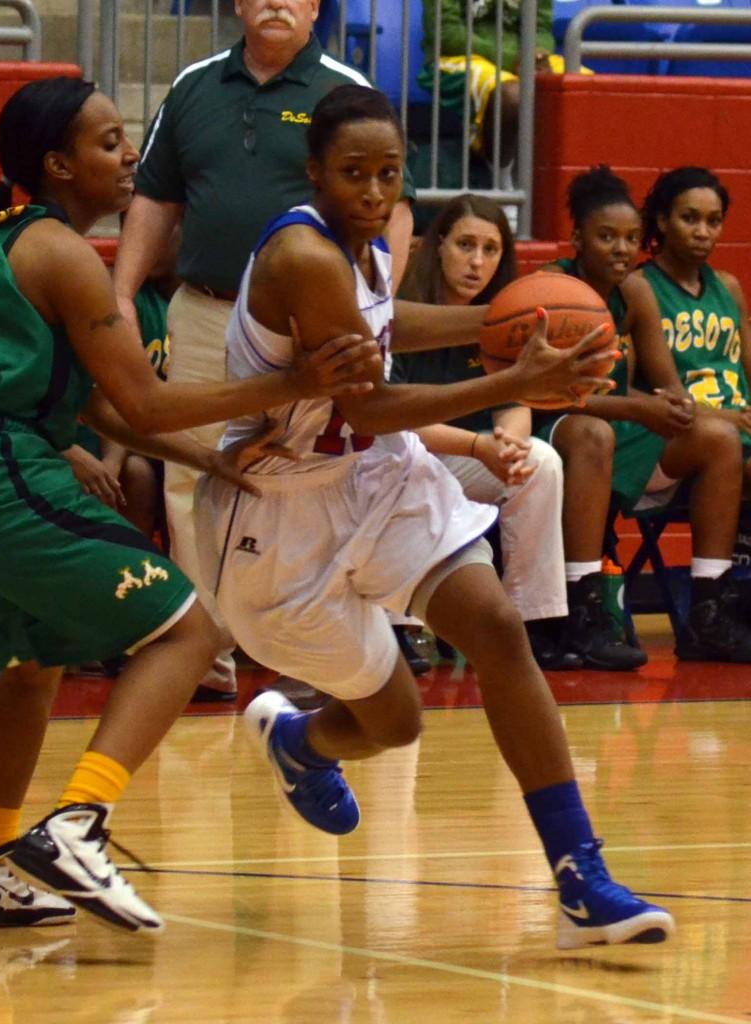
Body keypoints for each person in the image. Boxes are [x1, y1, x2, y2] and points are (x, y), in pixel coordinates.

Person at [0, 76, 382, 933]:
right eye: (110, 144)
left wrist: (213, 461)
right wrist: (293, 382)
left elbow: (108, 410)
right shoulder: (65, 253)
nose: (130, 158)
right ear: (58, 163)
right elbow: (142, 402)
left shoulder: (6, 241)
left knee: (32, 663)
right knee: (188, 629)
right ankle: (80, 822)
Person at [198, 83, 673, 949]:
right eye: (353, 175)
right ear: (313, 174)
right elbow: (372, 403)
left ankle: (577, 875)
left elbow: (386, 329)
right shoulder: (303, 255)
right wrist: (511, 382)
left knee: (495, 628)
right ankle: (304, 744)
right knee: (396, 721)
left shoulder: (369, 244)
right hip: (280, 511)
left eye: (388, 173)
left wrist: (509, 321)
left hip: (375, 478)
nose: (375, 193)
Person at [114, 0, 417, 700]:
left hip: (315, 326)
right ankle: (203, 653)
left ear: (315, 7)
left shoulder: (344, 90)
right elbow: (156, 199)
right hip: (203, 310)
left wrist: (370, 308)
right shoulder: (193, 86)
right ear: (238, 5)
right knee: (192, 477)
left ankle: (314, 654)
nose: (278, 2)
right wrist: (123, 295)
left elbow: (393, 209)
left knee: (318, 476)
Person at [539, 165, 751, 664]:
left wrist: (681, 411)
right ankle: (581, 607)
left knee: (715, 437)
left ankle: (708, 610)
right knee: (594, 434)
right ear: (576, 238)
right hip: (550, 423)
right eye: (607, 236)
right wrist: (642, 407)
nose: (620, 248)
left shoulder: (634, 292)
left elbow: (670, 392)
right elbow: (544, 393)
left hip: (618, 422)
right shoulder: (552, 284)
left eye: (630, 238)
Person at [392, 194, 578, 670]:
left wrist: (510, 445)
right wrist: (479, 446)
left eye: (491, 250)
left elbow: (515, 403)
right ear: (437, 246)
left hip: (469, 457)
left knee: (542, 462)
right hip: (404, 457)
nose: (477, 262)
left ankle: (525, 625)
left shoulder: (507, 317)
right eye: (465, 245)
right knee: (405, 460)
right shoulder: (404, 311)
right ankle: (399, 628)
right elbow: (392, 419)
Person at [637, 166, 751, 486]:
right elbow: (669, 397)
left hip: (740, 426)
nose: (703, 232)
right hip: (681, 434)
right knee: (722, 439)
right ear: (663, 221)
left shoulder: (728, 287)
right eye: (690, 218)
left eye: (713, 221)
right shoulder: (641, 287)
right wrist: (732, 419)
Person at [418, 0, 554, 167]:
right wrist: (515, 60)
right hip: (456, 58)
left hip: (522, 58)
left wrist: (537, 53)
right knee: (512, 95)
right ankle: (500, 176)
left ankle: (576, 181)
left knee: (584, 83)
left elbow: (542, 30)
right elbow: (447, 34)